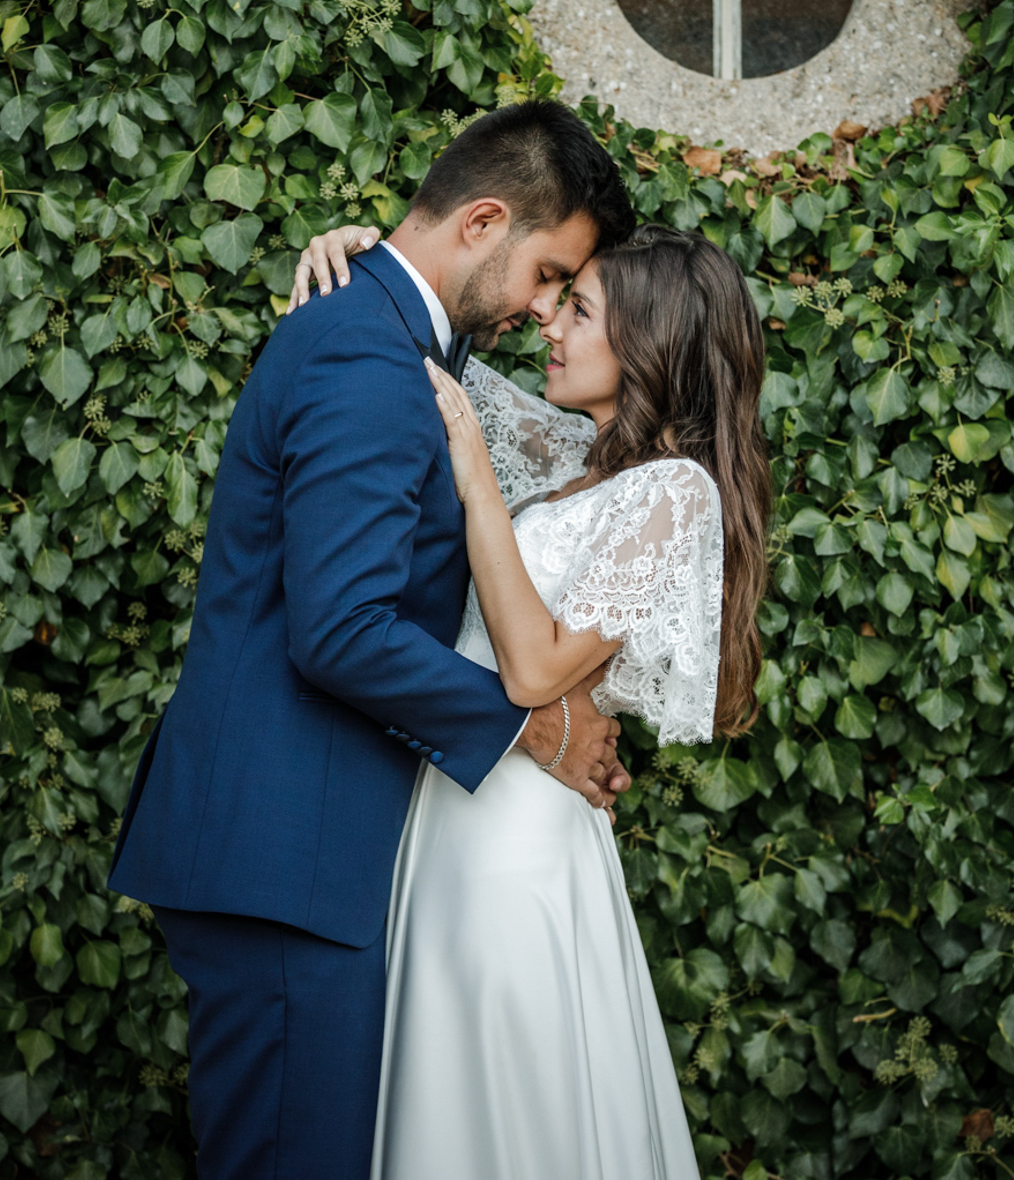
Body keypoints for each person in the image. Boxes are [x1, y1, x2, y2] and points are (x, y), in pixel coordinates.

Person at [107, 100, 637, 1180]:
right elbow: (342, 630)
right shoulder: (366, 351)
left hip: (302, 849)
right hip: (287, 853)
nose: (545, 311)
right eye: (549, 275)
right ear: (483, 221)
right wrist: (532, 727)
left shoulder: (393, 337)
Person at [291, 215, 771, 1179]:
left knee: (502, 1098)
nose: (549, 320)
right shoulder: (569, 459)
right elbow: (430, 345)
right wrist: (351, 253)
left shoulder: (673, 494)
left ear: (648, 343)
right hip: (448, 807)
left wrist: (474, 476)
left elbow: (534, 671)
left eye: (578, 308)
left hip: (515, 840)